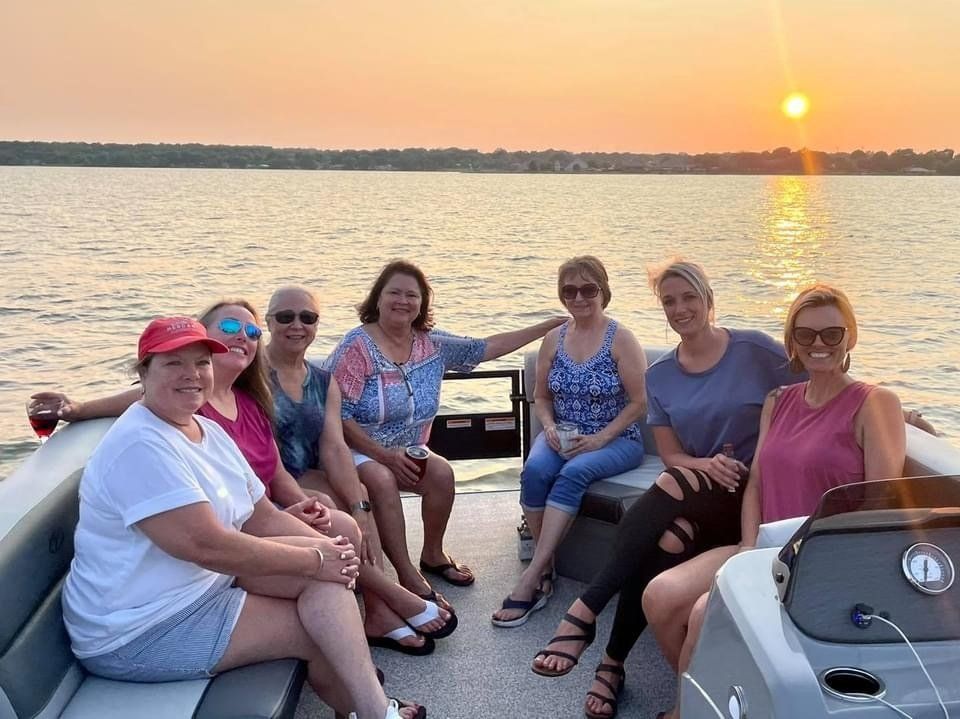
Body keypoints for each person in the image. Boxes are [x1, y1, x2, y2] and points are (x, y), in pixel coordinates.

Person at [35, 297, 454, 655]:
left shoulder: (251, 398)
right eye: (231, 327)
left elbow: (277, 468)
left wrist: (297, 502)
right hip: (227, 529)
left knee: (341, 517)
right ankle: (390, 601)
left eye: (251, 331)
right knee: (336, 534)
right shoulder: (188, 399)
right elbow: (143, 397)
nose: (244, 337)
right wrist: (76, 409)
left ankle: (378, 614)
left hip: (253, 507)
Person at [532, 260, 803, 719]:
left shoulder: (754, 351)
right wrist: (706, 465)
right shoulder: (660, 376)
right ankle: (613, 663)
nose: (680, 309)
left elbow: (820, 382)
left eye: (689, 297)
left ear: (708, 299)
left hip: (754, 495)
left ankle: (586, 610)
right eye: (670, 301)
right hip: (700, 491)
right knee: (668, 534)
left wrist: (897, 416)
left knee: (670, 485)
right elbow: (674, 455)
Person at [642, 283, 906, 719]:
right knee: (659, 597)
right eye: (805, 335)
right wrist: (748, 550)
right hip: (764, 546)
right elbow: (758, 485)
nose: (818, 345)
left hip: (823, 561)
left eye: (832, 334)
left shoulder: (875, 404)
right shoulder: (779, 401)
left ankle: (685, 711)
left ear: (850, 338)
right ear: (792, 344)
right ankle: (706, 697)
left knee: (707, 610)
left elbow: (877, 508)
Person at [325, 259, 565, 608]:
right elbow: (338, 416)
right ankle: (406, 573)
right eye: (394, 292)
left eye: (412, 295)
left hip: (407, 447)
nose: (402, 301)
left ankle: (433, 555)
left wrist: (547, 327)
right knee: (380, 479)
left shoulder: (431, 345)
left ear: (422, 304)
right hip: (356, 447)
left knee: (441, 473)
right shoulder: (356, 347)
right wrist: (383, 454)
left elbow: (485, 348)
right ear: (378, 298)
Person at [265, 285, 455, 654]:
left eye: (308, 317)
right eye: (285, 317)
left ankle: (379, 611)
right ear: (269, 321)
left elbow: (333, 446)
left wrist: (360, 508)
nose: (297, 325)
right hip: (265, 480)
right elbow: (181, 389)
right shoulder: (251, 371)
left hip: (304, 470)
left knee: (359, 500)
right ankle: (390, 598)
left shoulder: (321, 381)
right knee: (331, 508)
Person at [491, 256, 647, 628]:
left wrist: (599, 439)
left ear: (603, 291)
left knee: (572, 474)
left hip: (616, 437)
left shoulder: (621, 338)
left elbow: (641, 401)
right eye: (569, 291)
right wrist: (546, 426)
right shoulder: (554, 339)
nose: (579, 298)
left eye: (588, 289)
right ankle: (548, 568)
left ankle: (534, 577)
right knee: (533, 472)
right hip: (562, 432)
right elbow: (541, 396)